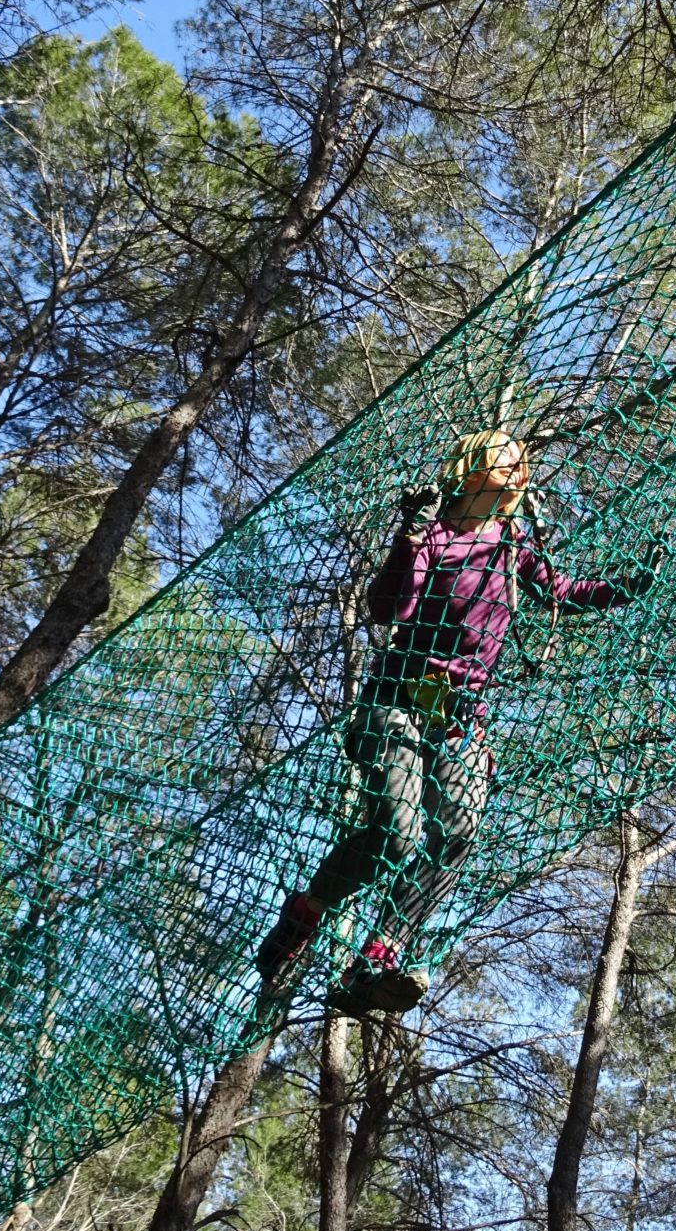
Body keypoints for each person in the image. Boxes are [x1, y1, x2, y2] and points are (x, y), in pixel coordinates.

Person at [256, 429, 651, 1015]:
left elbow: (561, 591)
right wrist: (409, 539)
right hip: (397, 701)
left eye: (517, 469)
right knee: (396, 833)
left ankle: (380, 955)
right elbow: (387, 609)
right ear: (470, 471)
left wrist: (622, 588)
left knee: (459, 828)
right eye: (501, 465)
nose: (513, 475)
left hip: (461, 719)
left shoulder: (512, 544)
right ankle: (305, 915)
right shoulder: (434, 534)